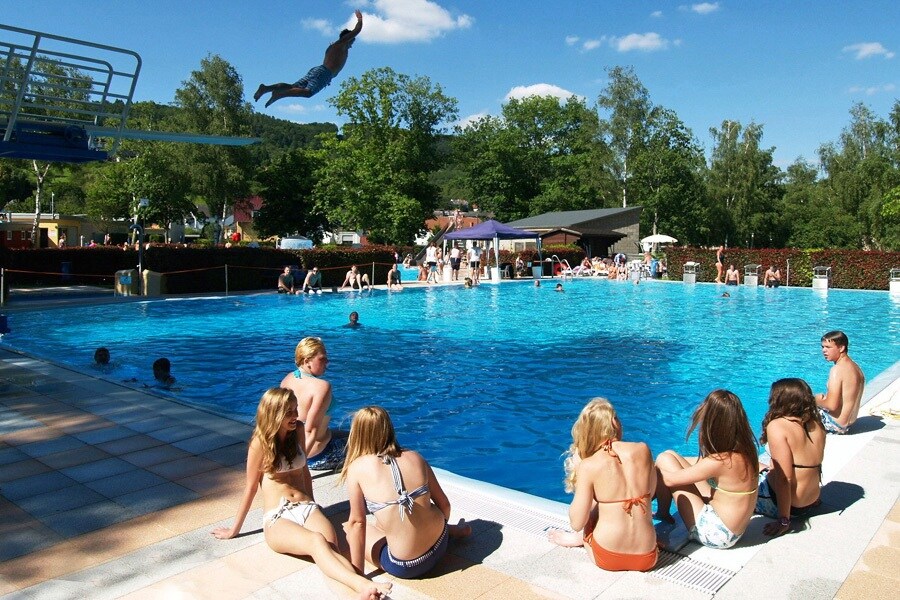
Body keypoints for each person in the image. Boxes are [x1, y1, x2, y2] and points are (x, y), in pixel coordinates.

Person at [212, 388, 390, 600]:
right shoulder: (259, 444)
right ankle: (364, 584)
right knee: (316, 541)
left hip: (306, 507)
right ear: (274, 413)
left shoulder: (298, 431)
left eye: (296, 409)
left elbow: (304, 470)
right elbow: (250, 488)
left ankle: (363, 593)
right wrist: (234, 529)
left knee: (331, 548)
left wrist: (314, 505)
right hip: (278, 516)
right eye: (289, 412)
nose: (295, 416)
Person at [341, 406, 471, 579]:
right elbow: (444, 504)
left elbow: (358, 523)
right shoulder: (415, 456)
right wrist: (440, 530)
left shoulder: (358, 468)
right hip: (441, 543)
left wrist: (357, 577)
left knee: (349, 530)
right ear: (389, 428)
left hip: (407, 566)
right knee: (406, 517)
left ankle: (437, 534)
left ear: (357, 434)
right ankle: (452, 531)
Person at [548, 399, 658, 572]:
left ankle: (578, 540)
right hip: (648, 557)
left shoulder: (590, 465)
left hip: (608, 557)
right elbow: (651, 492)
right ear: (615, 423)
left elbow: (577, 523)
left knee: (593, 505)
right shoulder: (643, 449)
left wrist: (580, 471)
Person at [655, 390, 758, 549]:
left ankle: (662, 512)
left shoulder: (720, 461)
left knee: (663, 459)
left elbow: (669, 480)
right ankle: (663, 511)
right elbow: (700, 465)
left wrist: (649, 469)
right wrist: (674, 459)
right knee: (670, 455)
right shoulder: (745, 453)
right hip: (733, 530)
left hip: (716, 533)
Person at [756, 378, 825, 536]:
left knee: (729, 472)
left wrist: (783, 520)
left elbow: (784, 479)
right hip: (811, 499)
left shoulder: (778, 426)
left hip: (786, 506)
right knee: (753, 463)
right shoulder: (816, 424)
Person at [254, 10, 363, 107]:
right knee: (308, 92)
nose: (352, 44)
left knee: (293, 87)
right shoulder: (342, 43)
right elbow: (357, 30)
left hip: (319, 71)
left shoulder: (335, 47)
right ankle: (280, 94)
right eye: (352, 41)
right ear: (347, 38)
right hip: (324, 73)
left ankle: (266, 88)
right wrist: (360, 19)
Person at [280, 337, 347, 470]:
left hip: (291, 449)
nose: (327, 362)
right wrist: (299, 467)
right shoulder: (322, 387)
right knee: (376, 442)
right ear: (307, 361)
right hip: (316, 455)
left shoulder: (287, 379)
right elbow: (311, 430)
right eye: (322, 358)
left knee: (350, 433)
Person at [815, 330, 865, 434]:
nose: (824, 351)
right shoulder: (856, 368)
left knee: (795, 405)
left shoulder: (837, 370)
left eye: (828, 347)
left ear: (841, 348)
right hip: (849, 423)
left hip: (834, 423)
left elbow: (831, 405)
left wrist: (815, 400)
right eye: (822, 347)